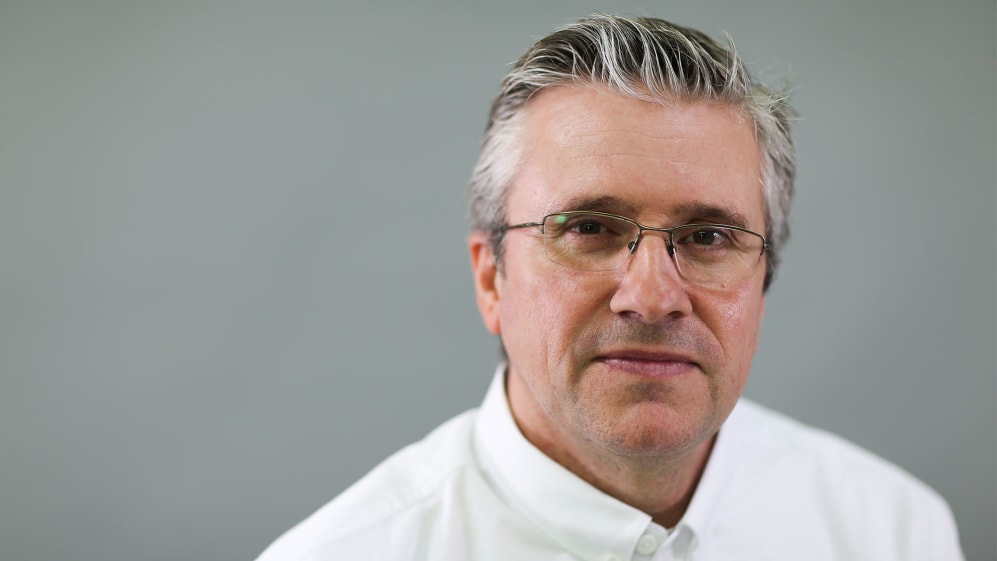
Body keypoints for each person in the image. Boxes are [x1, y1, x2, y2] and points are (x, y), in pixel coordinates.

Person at [257, 14, 964, 560]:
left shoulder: (889, 530)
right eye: (589, 228)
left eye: (708, 237)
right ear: (490, 277)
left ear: (762, 280)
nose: (652, 297)